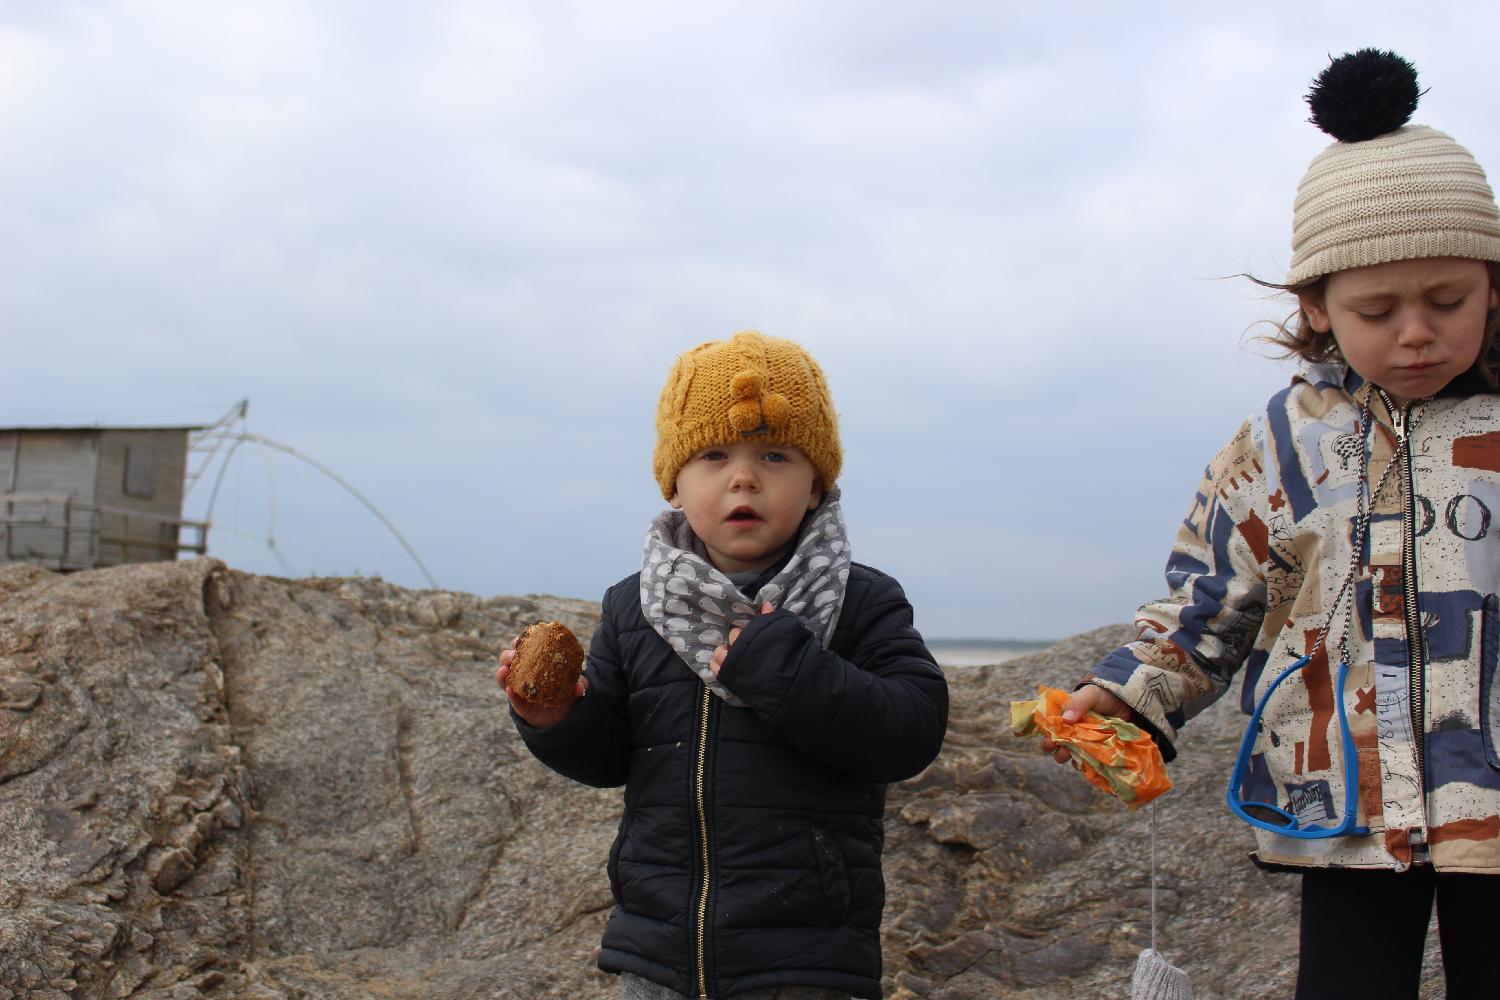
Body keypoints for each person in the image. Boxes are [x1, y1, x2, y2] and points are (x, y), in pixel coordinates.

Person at [1042, 50, 1500, 999]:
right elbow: (1212, 602)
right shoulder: (1280, 447)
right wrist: (1131, 695)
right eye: (1378, 309)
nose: (1417, 331)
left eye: (1448, 300)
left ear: (1492, 284)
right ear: (1316, 308)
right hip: (1337, 805)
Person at [498, 330, 949, 1000]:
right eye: (714, 455)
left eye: (774, 454)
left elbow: (911, 729)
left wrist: (786, 667)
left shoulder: (859, 599)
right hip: (658, 949)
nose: (744, 477)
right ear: (674, 485)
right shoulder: (637, 604)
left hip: (808, 954)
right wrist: (557, 717)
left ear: (818, 483)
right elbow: (613, 755)